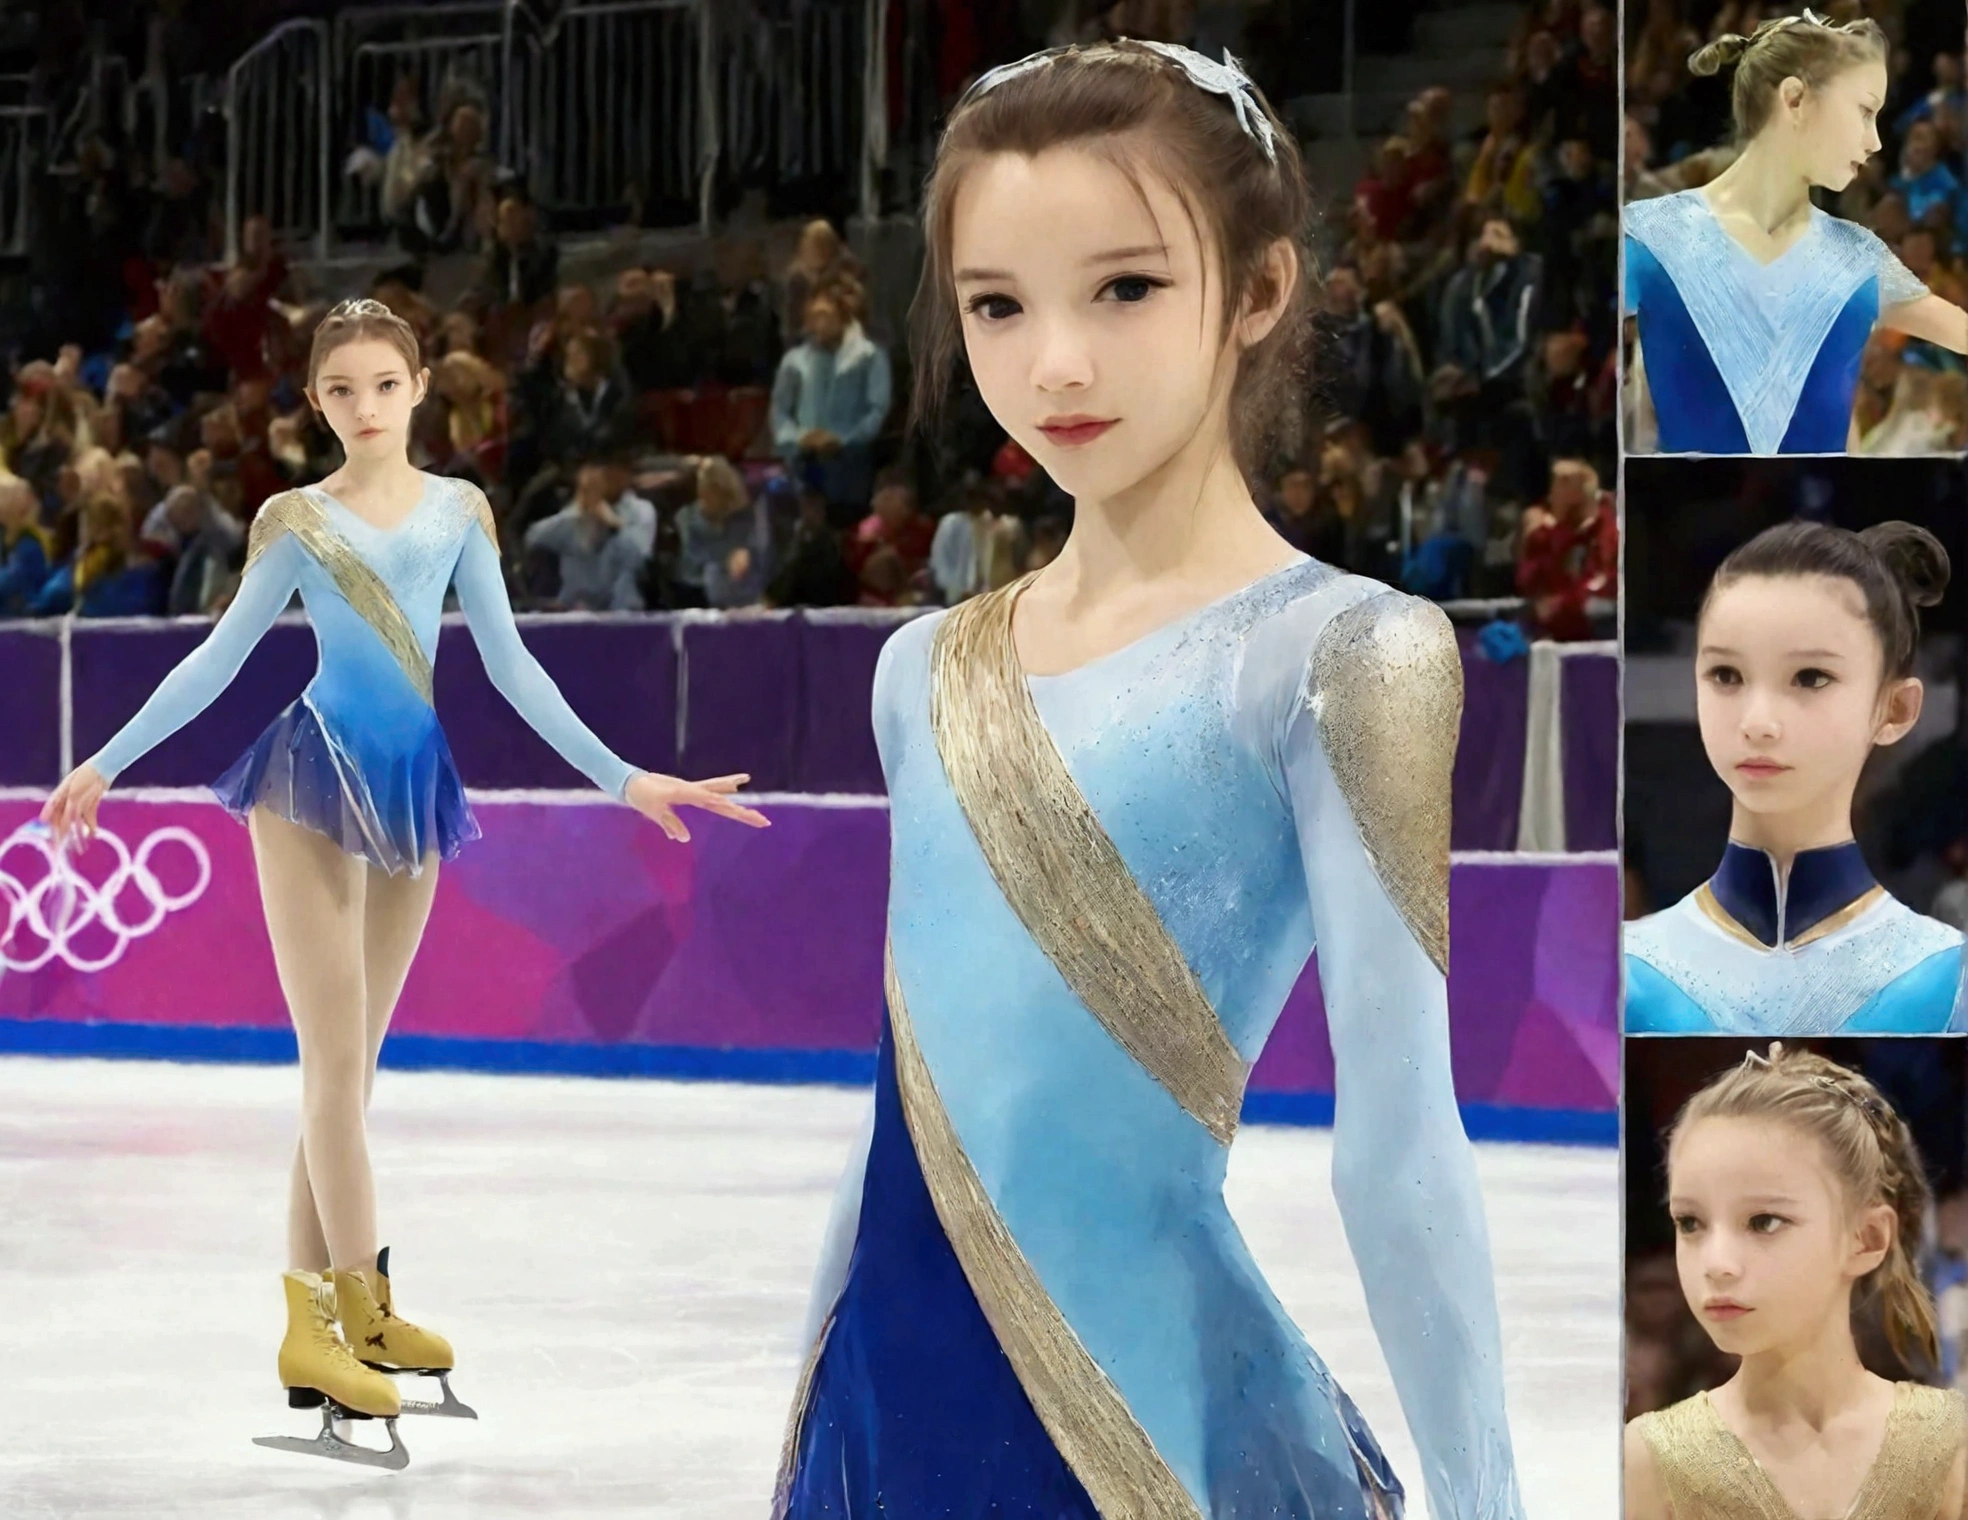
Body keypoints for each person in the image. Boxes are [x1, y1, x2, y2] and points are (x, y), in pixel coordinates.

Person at [772, 40, 1524, 1518]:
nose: (1055, 361)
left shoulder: (1344, 655)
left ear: (1257, 292)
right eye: (998, 305)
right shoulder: (920, 673)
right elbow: (904, 1108)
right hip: (889, 1415)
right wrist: (805, 1429)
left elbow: (1399, 1149)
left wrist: (1486, 1504)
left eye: (1124, 288)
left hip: (1159, 1435)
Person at [35, 299, 770, 1469]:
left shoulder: (461, 513)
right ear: (315, 405)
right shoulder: (293, 518)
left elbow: (516, 666)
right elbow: (216, 657)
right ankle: (359, 1304)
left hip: (418, 791)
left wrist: (627, 778)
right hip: (307, 777)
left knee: (350, 1079)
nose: (365, 407)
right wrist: (105, 759)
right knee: (331, 1071)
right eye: (341, 391)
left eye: (384, 384)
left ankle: (309, 1328)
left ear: (422, 387)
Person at [1625, 521, 1966, 1034]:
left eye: (1811, 678)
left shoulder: (1948, 980)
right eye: (1726, 675)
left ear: (1895, 708)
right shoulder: (1628, 969)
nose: (1757, 723)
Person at [1624, 1045, 1968, 1518]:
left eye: (1764, 1222)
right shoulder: (1651, 1455)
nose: (1716, 1263)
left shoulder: (1949, 1443)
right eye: (1690, 1222)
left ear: (1865, 1239)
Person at [1624, 13, 1968, 455]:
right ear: (1795, 99)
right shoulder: (1651, 235)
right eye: (1864, 111)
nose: (1876, 141)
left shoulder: (1858, 257)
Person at [769, 289, 892, 522]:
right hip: (803, 454)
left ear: (843, 317)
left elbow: (877, 410)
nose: (820, 323)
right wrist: (797, 438)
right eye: (814, 316)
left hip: (849, 456)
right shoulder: (795, 361)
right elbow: (780, 409)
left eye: (826, 315)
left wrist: (842, 439)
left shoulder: (869, 356)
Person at [522, 455, 659, 612]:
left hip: (622, 610)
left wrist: (612, 525)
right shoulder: (576, 513)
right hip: (574, 609)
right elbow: (533, 538)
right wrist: (580, 510)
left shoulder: (641, 510)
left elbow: (638, 557)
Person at [1515, 458, 1615, 641]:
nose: (1553, 492)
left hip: (1595, 611)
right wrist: (1536, 536)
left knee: (1594, 609)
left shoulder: (1606, 526)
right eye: (1555, 483)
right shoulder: (1549, 528)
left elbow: (1604, 579)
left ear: (1579, 491)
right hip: (1554, 612)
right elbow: (1528, 578)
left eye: (1562, 484)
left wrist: (1564, 602)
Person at [674, 454, 771, 609]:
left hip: (746, 597)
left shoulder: (744, 515)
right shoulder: (689, 518)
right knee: (713, 573)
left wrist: (745, 554)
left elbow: (759, 554)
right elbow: (690, 567)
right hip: (700, 595)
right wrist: (724, 560)